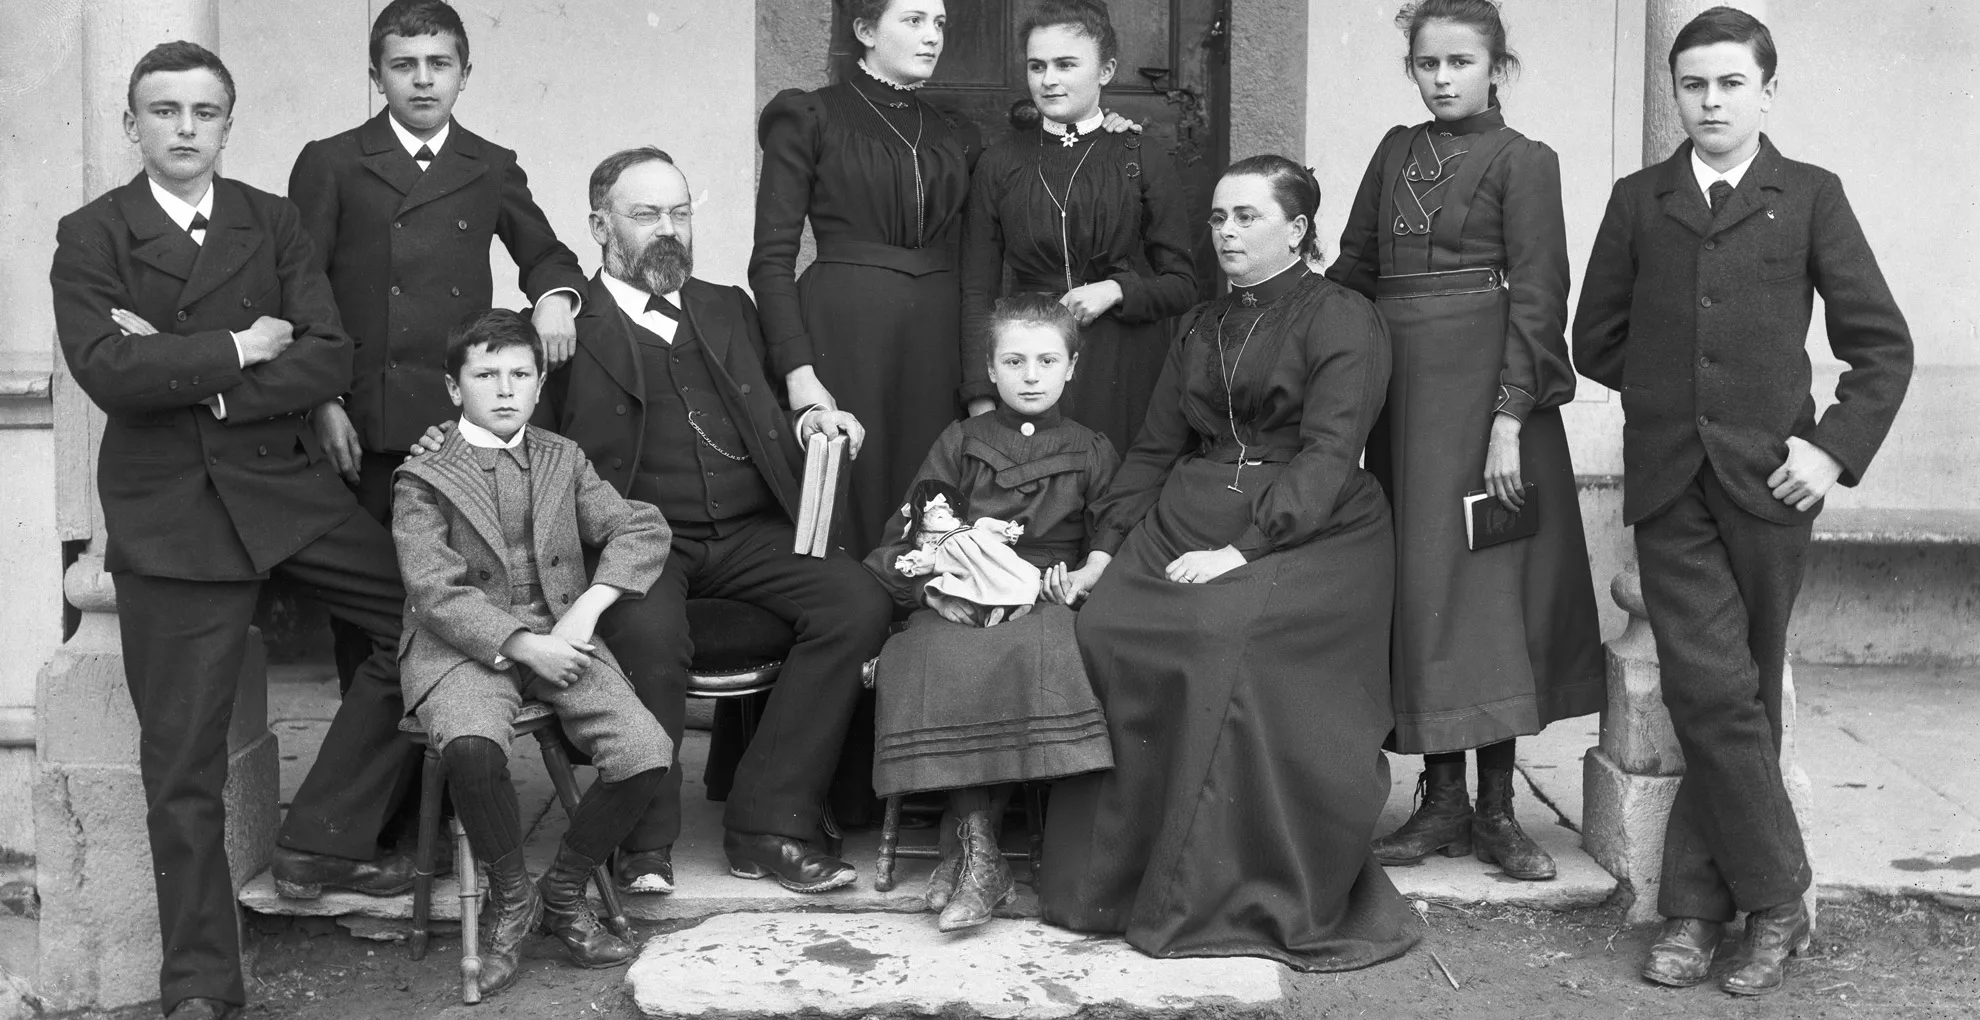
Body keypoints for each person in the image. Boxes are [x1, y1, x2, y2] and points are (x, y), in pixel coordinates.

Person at [51, 42, 418, 1020]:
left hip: (281, 487)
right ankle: (201, 984)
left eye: (203, 111)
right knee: (182, 767)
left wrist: (191, 374)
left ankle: (321, 836)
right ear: (133, 126)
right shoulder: (91, 235)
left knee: (425, 619)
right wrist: (241, 345)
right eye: (162, 111)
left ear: (226, 122)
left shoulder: (272, 220)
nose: (183, 128)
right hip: (169, 514)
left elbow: (328, 354)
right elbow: (105, 374)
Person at [1573, 7, 1912, 997]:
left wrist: (1826, 449)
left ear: (1767, 89)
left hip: (1773, 484)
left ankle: (1692, 907)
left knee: (1742, 694)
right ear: (1674, 94)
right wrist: (1674, 393)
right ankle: (1778, 897)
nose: (1710, 101)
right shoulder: (1639, 202)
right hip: (1671, 483)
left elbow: (1878, 347)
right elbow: (1595, 337)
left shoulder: (1807, 197)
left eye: (1729, 83)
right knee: (1710, 689)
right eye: (1692, 85)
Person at [1038, 156, 1423, 971]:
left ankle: (1211, 887)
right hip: (1190, 508)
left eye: (1247, 217)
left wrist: (1240, 552)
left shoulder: (1342, 318)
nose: (1226, 233)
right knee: (1106, 628)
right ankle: (1113, 881)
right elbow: (1151, 449)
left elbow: (1329, 453)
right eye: (1217, 218)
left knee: (1219, 636)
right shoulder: (1198, 324)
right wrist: (1106, 551)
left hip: (1314, 527)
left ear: (1299, 229)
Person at [537, 146, 891, 895]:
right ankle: (642, 842)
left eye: (680, 213)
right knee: (652, 632)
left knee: (857, 601)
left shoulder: (728, 305)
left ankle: (767, 823)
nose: (669, 230)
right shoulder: (564, 328)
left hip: (750, 529)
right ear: (600, 226)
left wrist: (814, 425)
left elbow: (771, 408)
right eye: (645, 215)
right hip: (642, 541)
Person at [1328, 0, 1603, 881]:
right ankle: (1438, 803)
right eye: (1427, 63)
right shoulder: (1394, 151)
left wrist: (1510, 421)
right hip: (1406, 413)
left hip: (1491, 413)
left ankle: (1496, 810)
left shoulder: (1527, 161)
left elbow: (1538, 292)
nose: (1442, 79)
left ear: (1497, 70)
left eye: (1460, 63)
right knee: (1422, 589)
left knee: (1488, 595)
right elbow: (1355, 271)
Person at [289, 0, 586, 687]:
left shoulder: (489, 163)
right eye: (404, 65)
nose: (423, 80)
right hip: (363, 418)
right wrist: (323, 398)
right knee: (371, 607)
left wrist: (553, 303)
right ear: (377, 75)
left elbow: (548, 254)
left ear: (464, 73)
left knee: (461, 592)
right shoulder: (332, 162)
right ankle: (384, 788)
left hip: (457, 422)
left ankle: (445, 768)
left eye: (439, 64)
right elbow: (300, 290)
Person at [392, 310, 674, 994]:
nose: (505, 388)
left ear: (540, 384)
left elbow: (640, 525)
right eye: (485, 375)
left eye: (520, 374)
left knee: (646, 751)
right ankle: (511, 900)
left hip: (560, 630)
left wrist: (588, 606)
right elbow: (434, 590)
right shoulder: (422, 476)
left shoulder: (562, 458)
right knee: (471, 750)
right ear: (454, 388)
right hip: (461, 646)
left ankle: (564, 890)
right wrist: (521, 646)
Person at [863, 293, 1118, 933]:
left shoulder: (1090, 449)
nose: (1030, 375)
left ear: (1071, 368)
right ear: (991, 368)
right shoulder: (962, 440)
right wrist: (942, 572)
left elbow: (1113, 535)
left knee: (1032, 650)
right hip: (964, 588)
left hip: (1043, 597)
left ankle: (967, 854)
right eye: (1014, 360)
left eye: (1046, 360)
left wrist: (1083, 578)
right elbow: (921, 522)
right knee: (927, 648)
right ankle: (981, 854)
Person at [751, 0, 983, 543]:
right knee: (847, 500)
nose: (931, 36)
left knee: (928, 500)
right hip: (842, 330)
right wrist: (798, 372)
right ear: (865, 31)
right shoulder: (812, 116)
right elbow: (771, 259)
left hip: (935, 335)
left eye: (939, 22)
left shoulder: (955, 133)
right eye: (913, 20)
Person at [960, 0, 1196, 453]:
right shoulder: (1000, 162)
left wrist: (1119, 290)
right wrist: (981, 398)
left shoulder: (1139, 155)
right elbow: (976, 291)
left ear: (1105, 71)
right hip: (1031, 368)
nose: (1048, 80)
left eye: (1066, 65)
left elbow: (1183, 284)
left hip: (1123, 365)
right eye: (1036, 66)